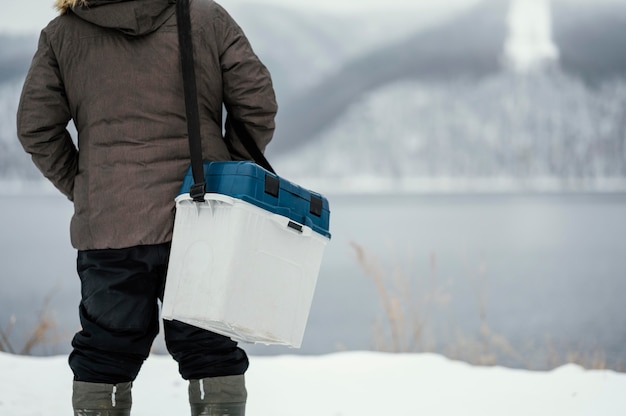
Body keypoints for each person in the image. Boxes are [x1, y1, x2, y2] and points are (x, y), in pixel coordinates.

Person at [16, 0, 277, 414]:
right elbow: (257, 102)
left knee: (104, 353)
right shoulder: (205, 17)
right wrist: (225, 175)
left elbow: (35, 128)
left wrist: (87, 188)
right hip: (201, 216)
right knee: (210, 346)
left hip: (109, 225)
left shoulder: (61, 35)